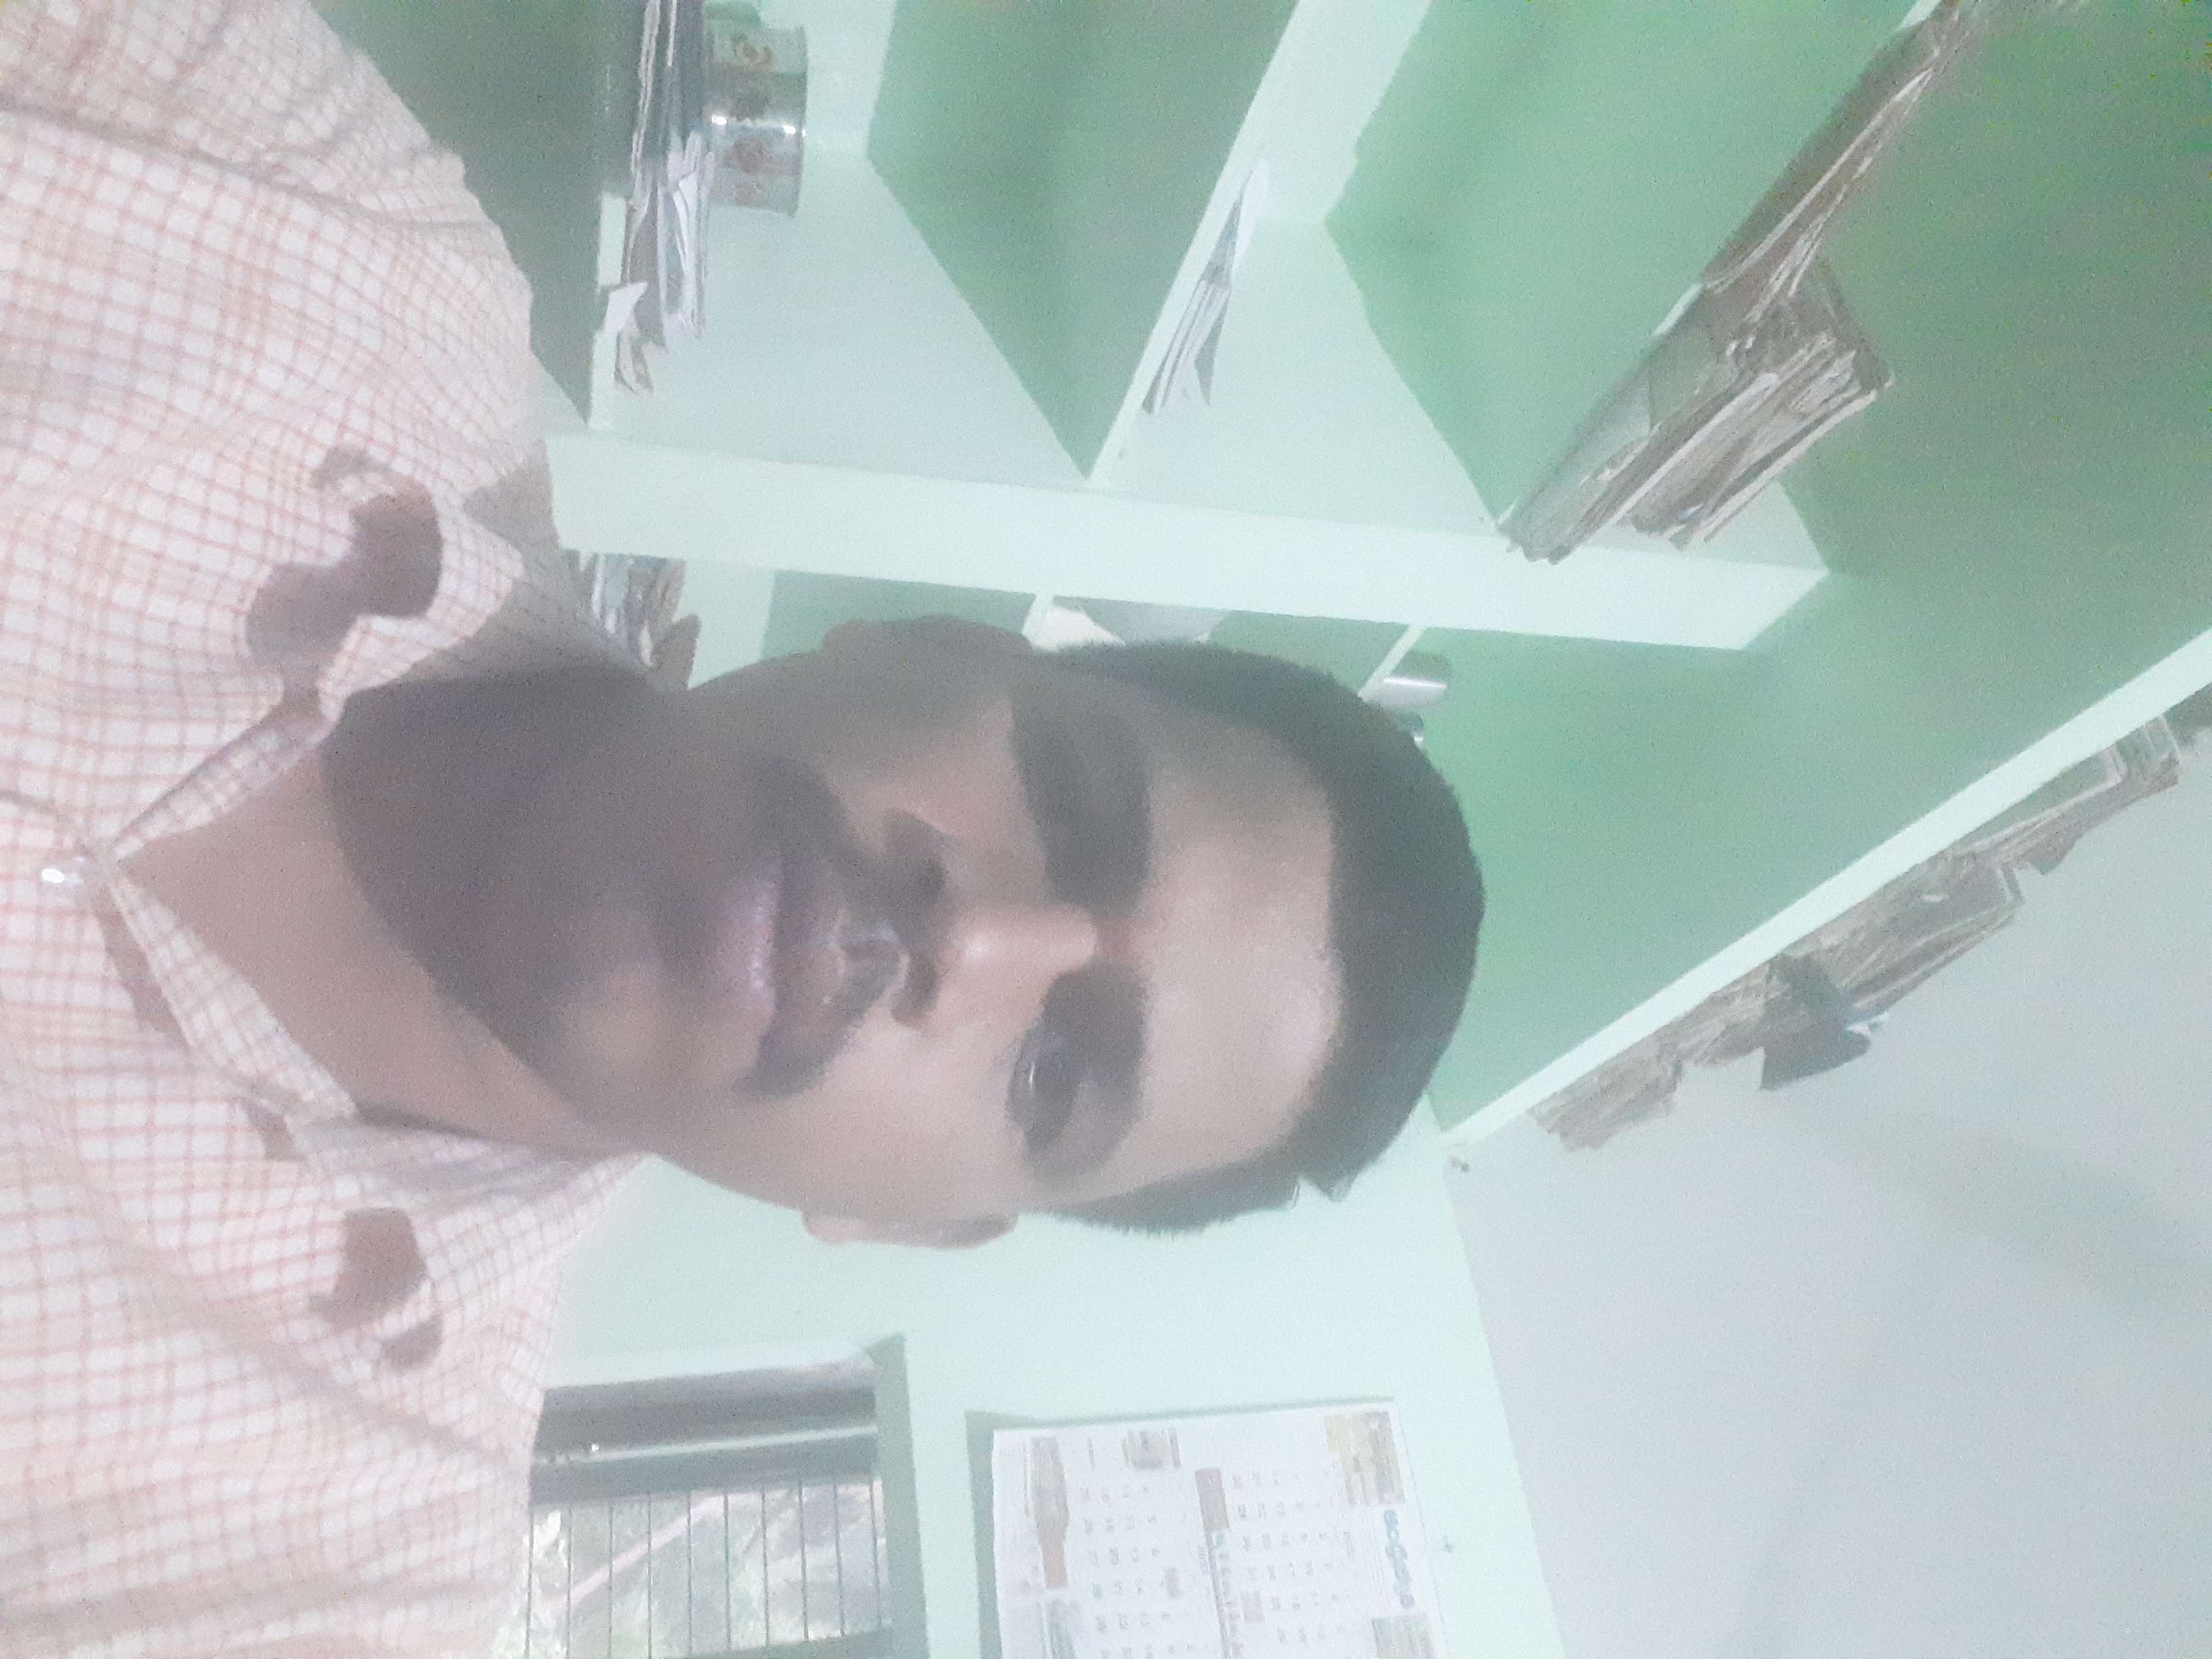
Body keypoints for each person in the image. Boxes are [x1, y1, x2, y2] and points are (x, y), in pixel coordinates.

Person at [0, 1, 1482, 1651]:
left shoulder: (314, 1566)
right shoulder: (321, 230)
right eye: (1069, 803)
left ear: (911, 1226)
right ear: (929, 640)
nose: (973, 937)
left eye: (1055, 1071)